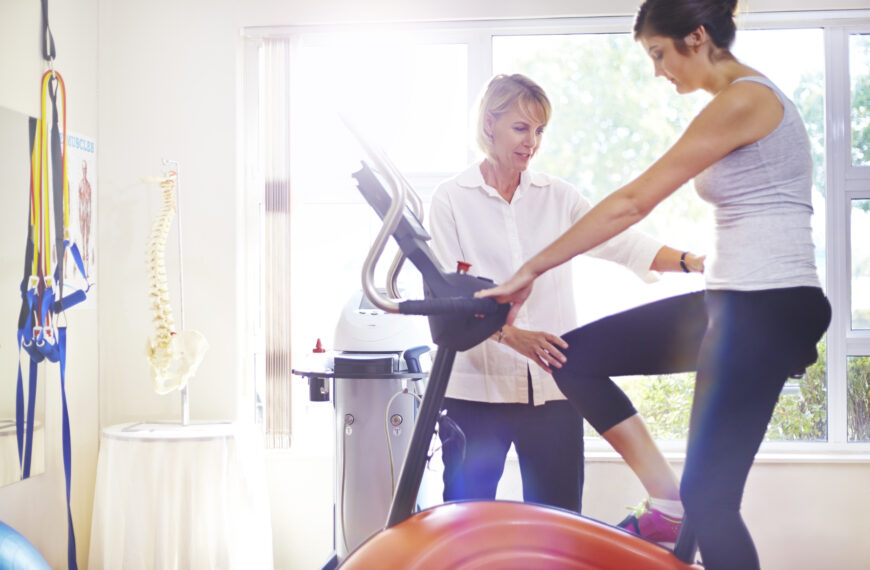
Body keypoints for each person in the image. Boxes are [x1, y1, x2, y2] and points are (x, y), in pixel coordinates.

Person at [477, 1, 832, 569]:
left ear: (696, 38)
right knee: (575, 358)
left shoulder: (747, 98)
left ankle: (679, 510)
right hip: (730, 303)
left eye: (659, 54)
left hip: (767, 307)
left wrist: (530, 269)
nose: (658, 71)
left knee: (711, 501)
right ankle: (669, 511)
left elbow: (633, 202)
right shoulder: (733, 102)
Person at [429, 73, 704, 514]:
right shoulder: (449, 200)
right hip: (475, 393)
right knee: (465, 519)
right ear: (488, 125)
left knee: (559, 522)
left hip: (552, 391)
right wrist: (517, 338)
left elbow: (622, 241)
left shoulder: (557, 196)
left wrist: (693, 262)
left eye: (539, 131)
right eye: (521, 128)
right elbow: (450, 301)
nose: (531, 142)